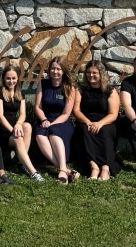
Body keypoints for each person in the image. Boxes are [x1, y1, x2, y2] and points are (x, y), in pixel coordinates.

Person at [0, 65, 45, 182]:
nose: (11, 81)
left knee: (27, 126)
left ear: (17, 79)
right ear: (4, 79)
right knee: (18, 139)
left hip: (13, 127)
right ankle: (33, 172)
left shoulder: (20, 93)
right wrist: (12, 130)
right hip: (2, 129)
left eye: (13, 78)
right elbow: (0, 117)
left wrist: (18, 124)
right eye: (8, 78)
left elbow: (22, 115)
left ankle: (21, 162)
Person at [34, 56, 79, 184]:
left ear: (63, 71)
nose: (55, 71)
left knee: (53, 132)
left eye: (58, 69)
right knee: (39, 135)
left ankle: (62, 171)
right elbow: (37, 106)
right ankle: (65, 170)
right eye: (53, 68)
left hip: (62, 122)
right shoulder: (43, 84)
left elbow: (66, 113)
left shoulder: (69, 87)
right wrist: (43, 119)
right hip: (45, 119)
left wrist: (52, 123)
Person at [73, 60, 120, 180]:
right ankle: (93, 167)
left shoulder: (110, 91)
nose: (91, 75)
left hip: (106, 121)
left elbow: (113, 114)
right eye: (88, 72)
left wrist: (100, 124)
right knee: (84, 131)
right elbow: (76, 110)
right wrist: (88, 122)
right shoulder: (80, 89)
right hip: (85, 120)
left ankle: (105, 168)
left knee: (105, 132)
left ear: (101, 74)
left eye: (94, 72)